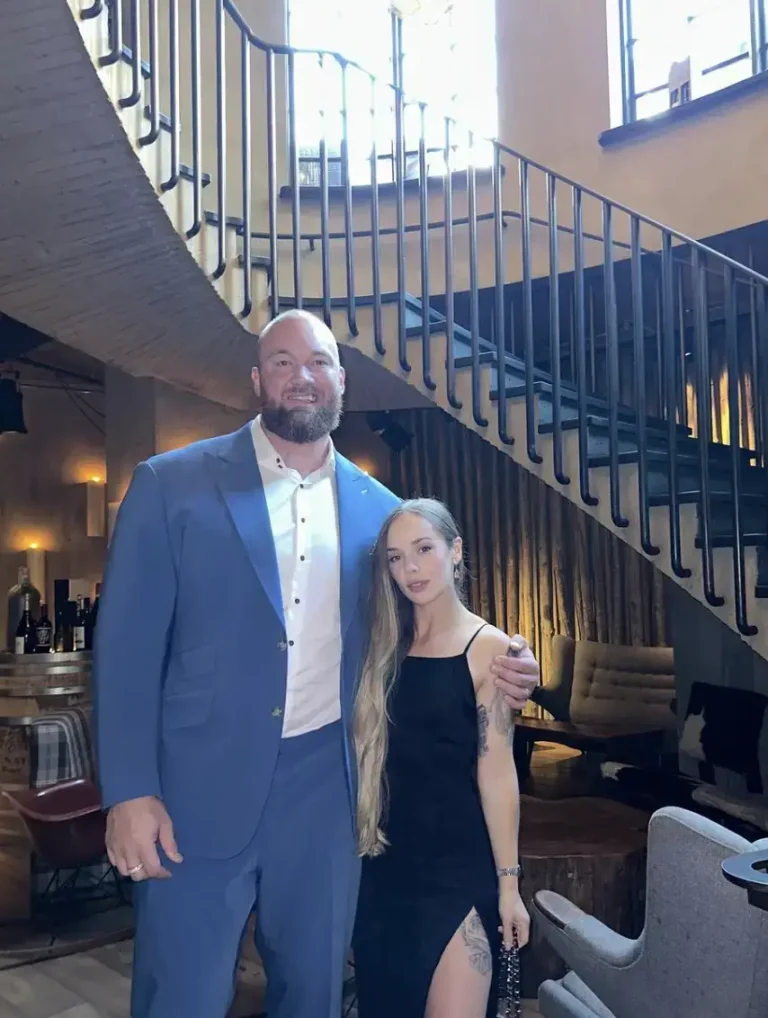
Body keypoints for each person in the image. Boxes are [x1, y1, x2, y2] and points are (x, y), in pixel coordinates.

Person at [94, 310, 539, 1018]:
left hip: (329, 795)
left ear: (341, 381)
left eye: (318, 363)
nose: (301, 376)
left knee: (314, 996)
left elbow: (428, 625)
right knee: (179, 996)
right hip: (190, 795)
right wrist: (129, 791)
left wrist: (507, 658)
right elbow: (125, 650)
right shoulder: (169, 483)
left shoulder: (381, 512)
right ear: (256, 379)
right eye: (282, 361)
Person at [352, 498, 530, 1018]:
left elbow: (497, 774)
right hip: (382, 870)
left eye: (423, 549)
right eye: (395, 557)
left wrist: (510, 886)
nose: (410, 568)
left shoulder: (490, 649)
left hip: (457, 874)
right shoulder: (381, 646)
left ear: (455, 551)